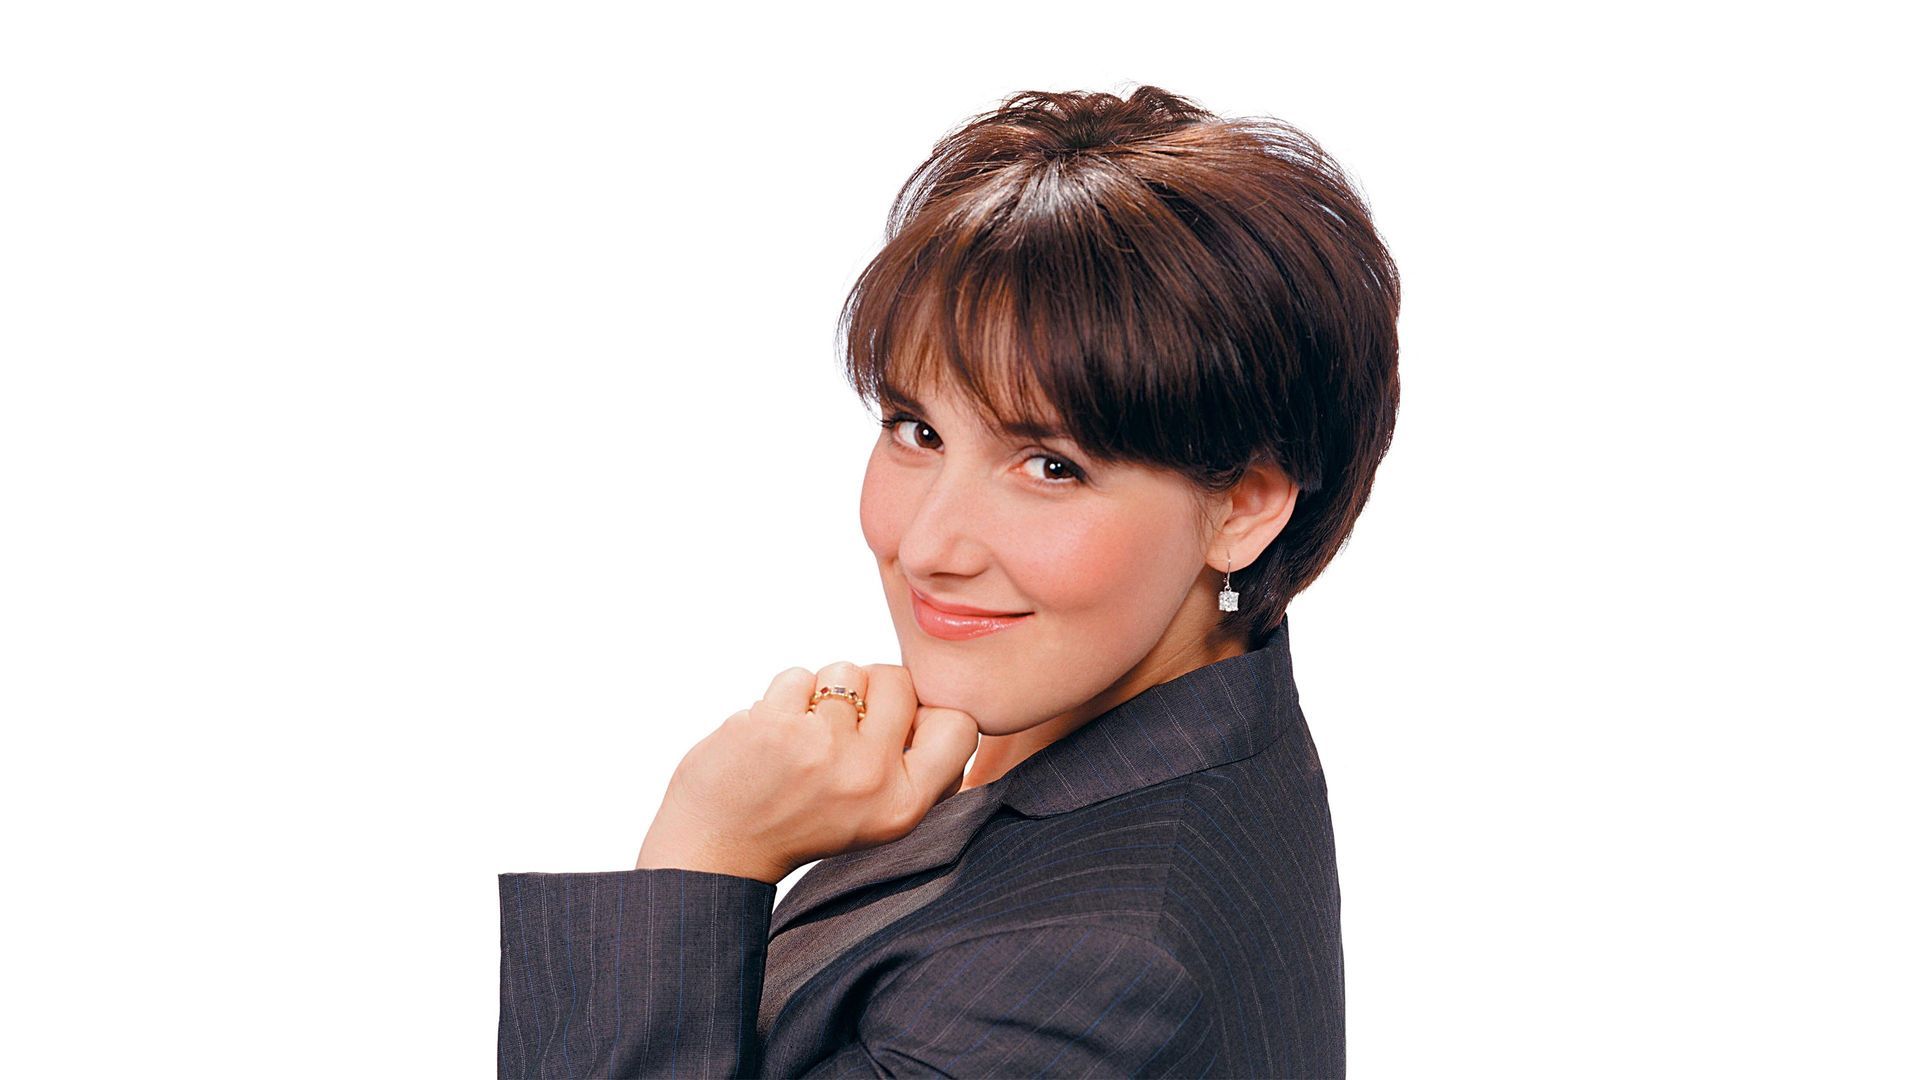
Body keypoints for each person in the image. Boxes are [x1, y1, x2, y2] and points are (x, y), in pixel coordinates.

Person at [498, 84, 1399, 1079]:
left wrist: (708, 846)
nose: (929, 545)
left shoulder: (1081, 974)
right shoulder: (1191, 725)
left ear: (1244, 507)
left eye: (1049, 465)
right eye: (916, 430)